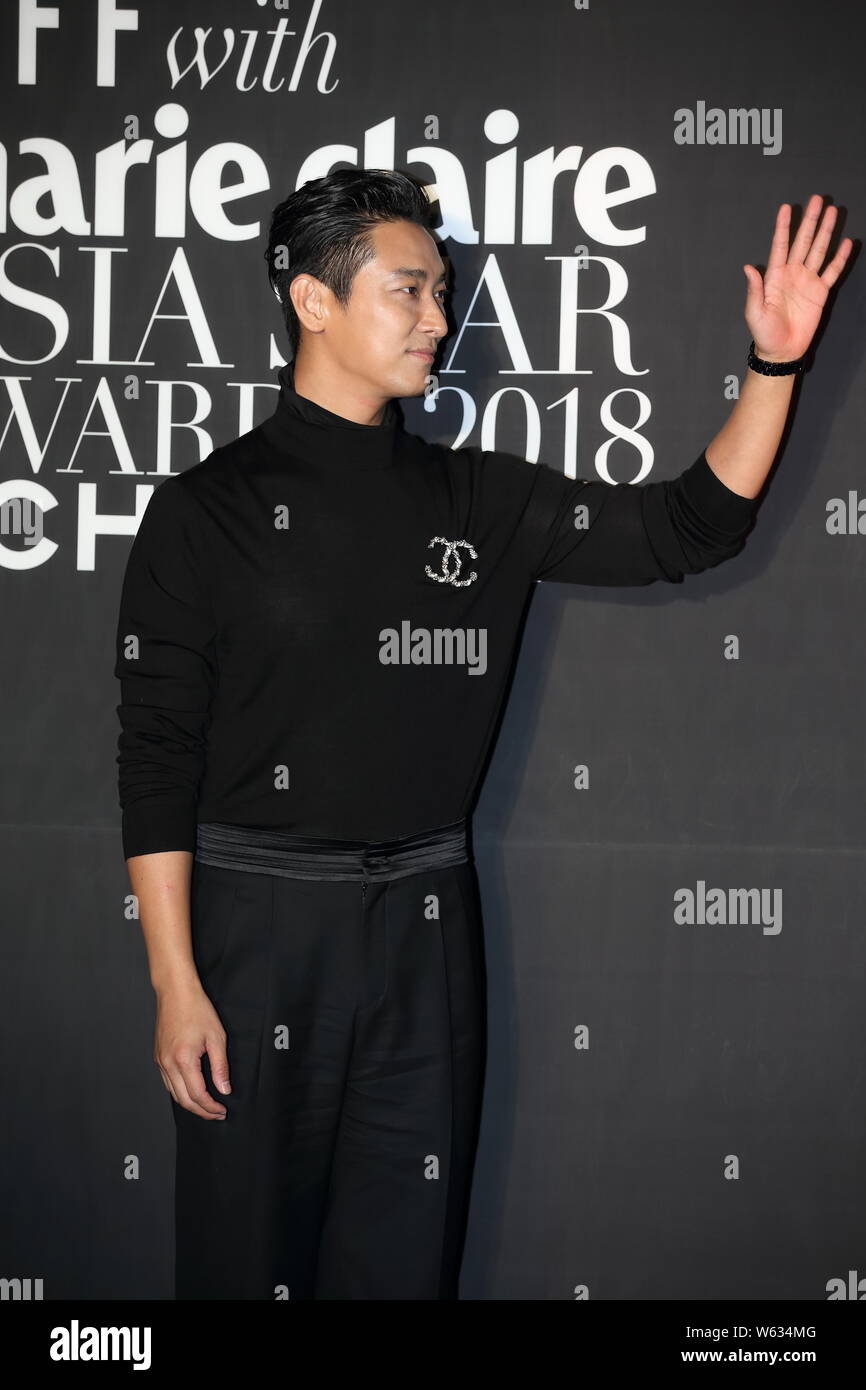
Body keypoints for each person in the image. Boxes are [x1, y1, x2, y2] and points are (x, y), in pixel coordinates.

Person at [114, 169, 851, 1299]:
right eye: (407, 291)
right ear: (314, 301)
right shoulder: (203, 510)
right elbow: (156, 749)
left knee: (403, 1267)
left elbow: (687, 526)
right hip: (256, 936)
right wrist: (176, 979)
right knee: (239, 1261)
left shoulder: (477, 499)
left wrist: (774, 362)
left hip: (423, 929)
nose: (436, 320)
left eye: (440, 292)